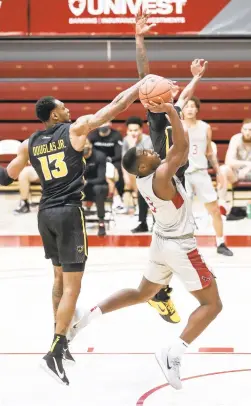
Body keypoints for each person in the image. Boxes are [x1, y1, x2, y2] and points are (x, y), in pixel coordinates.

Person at [0, 75, 151, 385]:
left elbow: (7, 177)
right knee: (72, 286)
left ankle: (62, 339)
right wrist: (139, 87)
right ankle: (55, 349)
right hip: (69, 213)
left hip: (45, 214)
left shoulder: (29, 143)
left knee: (57, 279)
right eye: (63, 107)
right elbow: (112, 109)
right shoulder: (76, 129)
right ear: (54, 115)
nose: (68, 110)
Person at [69, 101, 222, 390]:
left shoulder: (144, 179)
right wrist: (172, 112)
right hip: (180, 247)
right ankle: (173, 353)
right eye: (146, 152)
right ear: (142, 165)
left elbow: (172, 150)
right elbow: (181, 144)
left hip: (161, 241)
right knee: (213, 304)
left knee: (143, 293)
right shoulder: (162, 176)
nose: (152, 150)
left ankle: (84, 319)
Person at [134, 10, 208, 323]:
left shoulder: (173, 109)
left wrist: (195, 78)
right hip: (164, 179)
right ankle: (161, 292)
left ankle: (160, 290)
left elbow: (187, 94)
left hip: (176, 178)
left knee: (169, 236)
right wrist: (139, 38)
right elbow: (143, 75)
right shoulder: (156, 113)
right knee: (175, 237)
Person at [183, 96, 233, 256]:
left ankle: (220, 243)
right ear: (182, 109)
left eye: (192, 106)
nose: (190, 109)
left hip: (201, 172)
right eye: (187, 106)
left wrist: (218, 171)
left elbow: (209, 152)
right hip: (182, 174)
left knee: (215, 210)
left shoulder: (205, 127)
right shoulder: (176, 127)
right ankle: (183, 246)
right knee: (183, 213)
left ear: (197, 109)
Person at [122, 116, 152, 231]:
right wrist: (125, 177)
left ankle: (157, 223)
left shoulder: (148, 140)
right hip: (136, 174)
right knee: (141, 197)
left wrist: (133, 146)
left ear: (141, 130)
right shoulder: (126, 140)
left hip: (150, 172)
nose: (133, 133)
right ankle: (143, 223)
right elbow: (125, 161)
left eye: (135, 130)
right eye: (130, 130)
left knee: (153, 198)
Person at [88, 121, 125, 209]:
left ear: (110, 124)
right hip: (96, 161)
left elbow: (119, 154)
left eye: (105, 123)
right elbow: (89, 151)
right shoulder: (92, 136)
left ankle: (117, 197)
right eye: (101, 123)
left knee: (115, 171)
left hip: (112, 160)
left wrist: (109, 160)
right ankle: (88, 199)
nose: (103, 126)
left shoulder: (116, 135)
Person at [218, 118, 251, 210]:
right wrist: (248, 164)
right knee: (223, 169)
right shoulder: (236, 138)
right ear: (241, 130)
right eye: (245, 129)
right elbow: (228, 161)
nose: (247, 132)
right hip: (237, 174)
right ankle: (222, 203)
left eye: (250, 130)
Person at [82, 139, 108, 236]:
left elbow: (101, 178)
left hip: (98, 185)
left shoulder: (100, 156)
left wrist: (86, 182)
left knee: (98, 189)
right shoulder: (75, 156)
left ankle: (101, 223)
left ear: (91, 147)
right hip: (82, 187)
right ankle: (73, 223)